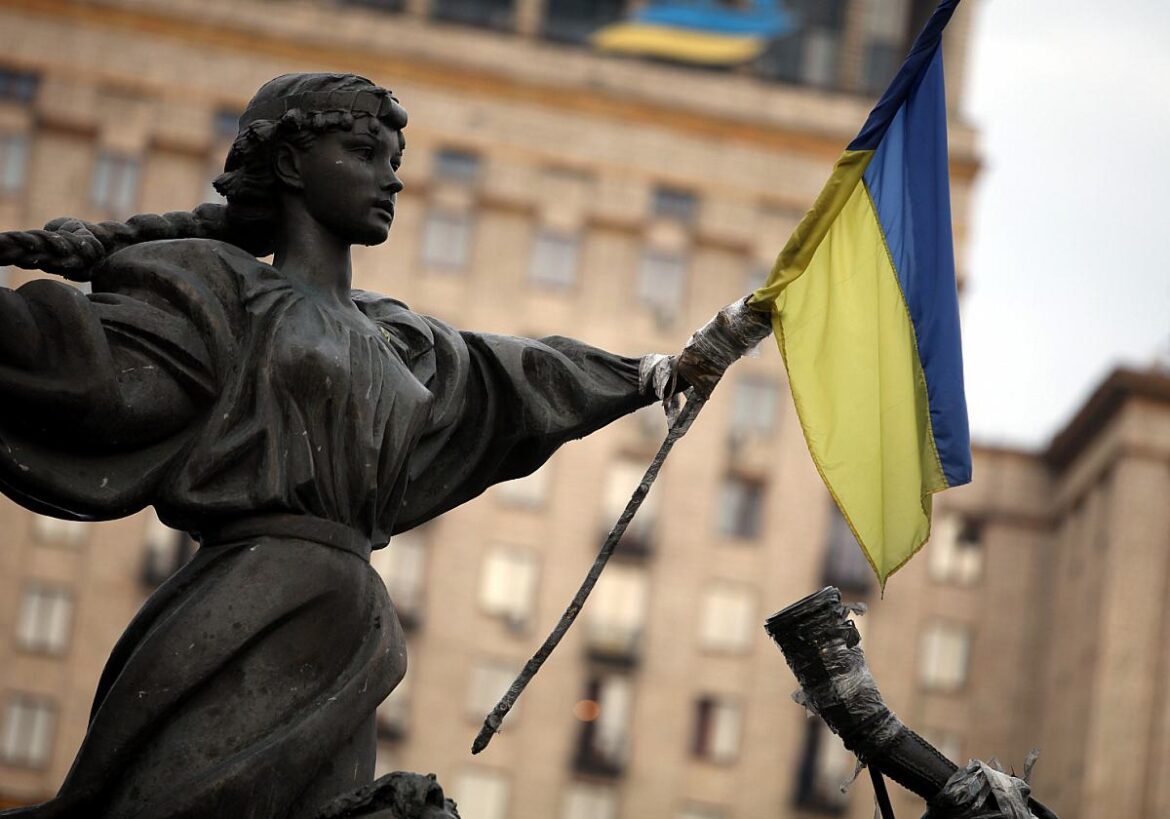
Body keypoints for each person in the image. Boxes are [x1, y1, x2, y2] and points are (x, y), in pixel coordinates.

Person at [0, 72, 678, 818]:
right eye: (364, 153)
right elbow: (89, 373)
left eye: (394, 158)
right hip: (248, 605)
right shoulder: (218, 292)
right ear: (291, 164)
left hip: (351, 630)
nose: (391, 177)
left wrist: (654, 372)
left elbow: (513, 379)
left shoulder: (399, 335)